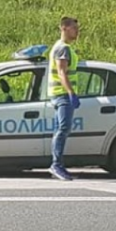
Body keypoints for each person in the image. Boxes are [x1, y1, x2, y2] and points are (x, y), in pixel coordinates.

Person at [48, 16, 80, 181]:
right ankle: (56, 165)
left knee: (59, 130)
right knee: (63, 129)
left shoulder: (59, 46)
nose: (77, 32)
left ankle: (57, 164)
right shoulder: (63, 48)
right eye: (74, 28)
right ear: (64, 28)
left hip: (59, 94)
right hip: (62, 94)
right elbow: (62, 72)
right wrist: (71, 93)